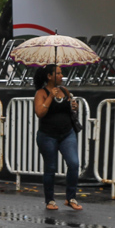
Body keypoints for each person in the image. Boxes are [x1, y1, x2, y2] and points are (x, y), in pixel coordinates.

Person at [33, 64, 82, 211]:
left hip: (67, 134)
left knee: (73, 164)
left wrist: (74, 107)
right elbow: (40, 112)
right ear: (49, 76)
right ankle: (50, 200)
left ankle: (71, 198)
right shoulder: (41, 93)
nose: (62, 76)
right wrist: (50, 97)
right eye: (58, 73)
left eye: (61, 73)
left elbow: (69, 111)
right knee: (51, 168)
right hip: (48, 136)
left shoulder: (65, 90)